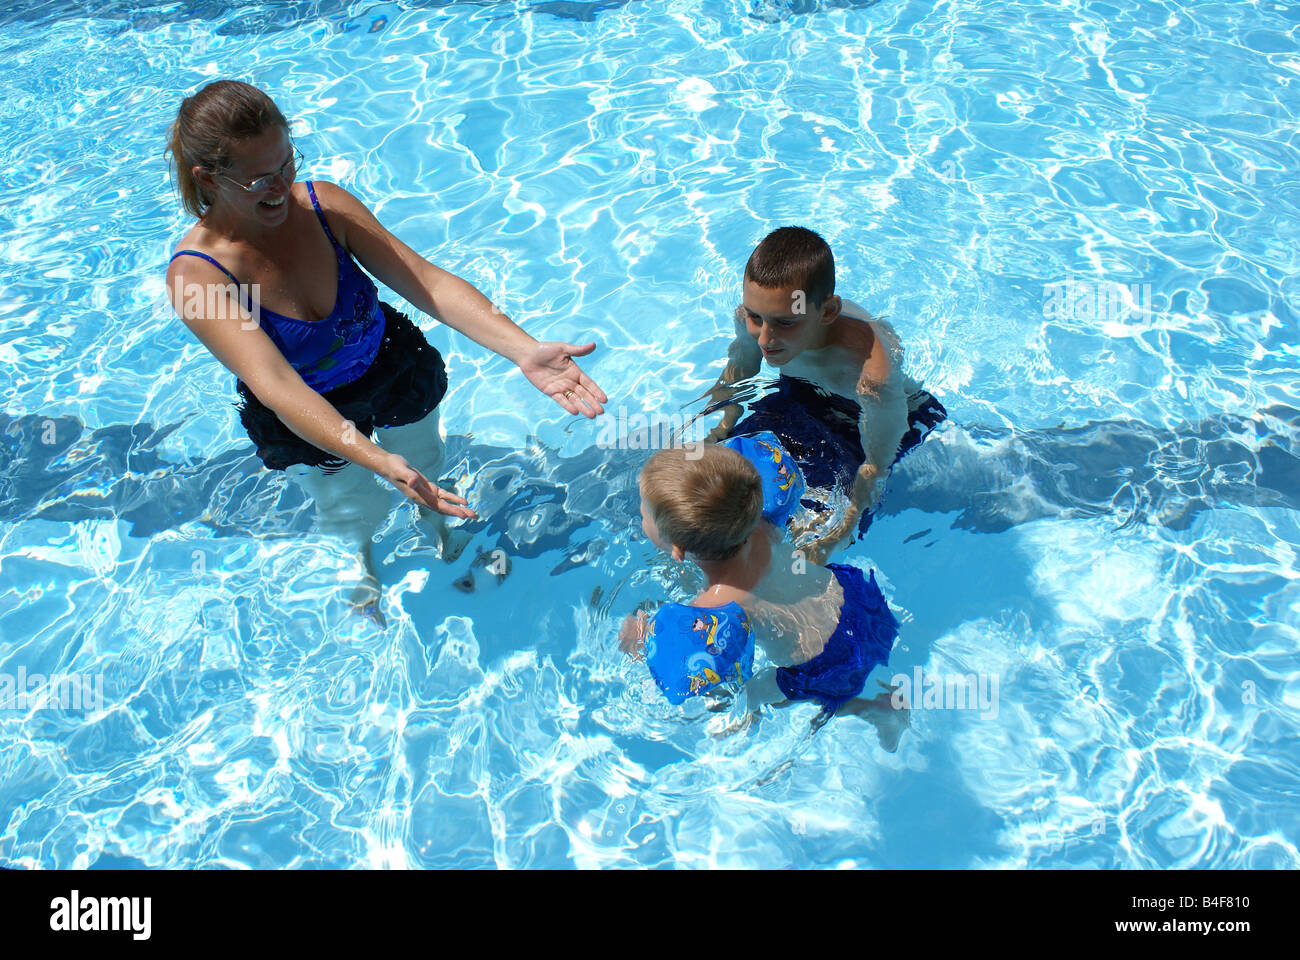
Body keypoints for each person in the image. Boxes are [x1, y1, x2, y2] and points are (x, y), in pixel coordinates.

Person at [164, 80, 607, 623]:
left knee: (425, 463)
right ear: (209, 179)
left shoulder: (325, 207)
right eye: (261, 179)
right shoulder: (196, 276)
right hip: (303, 410)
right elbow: (277, 386)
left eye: (288, 164)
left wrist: (522, 350)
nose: (283, 186)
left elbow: (427, 281)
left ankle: (440, 528)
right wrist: (375, 461)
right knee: (352, 499)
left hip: (388, 363)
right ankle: (364, 560)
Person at [618, 434, 909, 750]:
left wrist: (639, 638)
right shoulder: (763, 524)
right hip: (855, 597)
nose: (641, 515)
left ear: (678, 549)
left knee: (754, 694)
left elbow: (695, 675)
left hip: (823, 664)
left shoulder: (715, 604)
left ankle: (874, 710)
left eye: (644, 513)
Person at [701, 226, 946, 562]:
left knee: (806, 533)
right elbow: (737, 374)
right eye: (756, 317)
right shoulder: (755, 321)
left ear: (828, 312)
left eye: (785, 323)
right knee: (713, 484)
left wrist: (842, 528)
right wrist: (715, 432)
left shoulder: (870, 370)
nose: (764, 339)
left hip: (870, 420)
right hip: (801, 396)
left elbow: (875, 466)